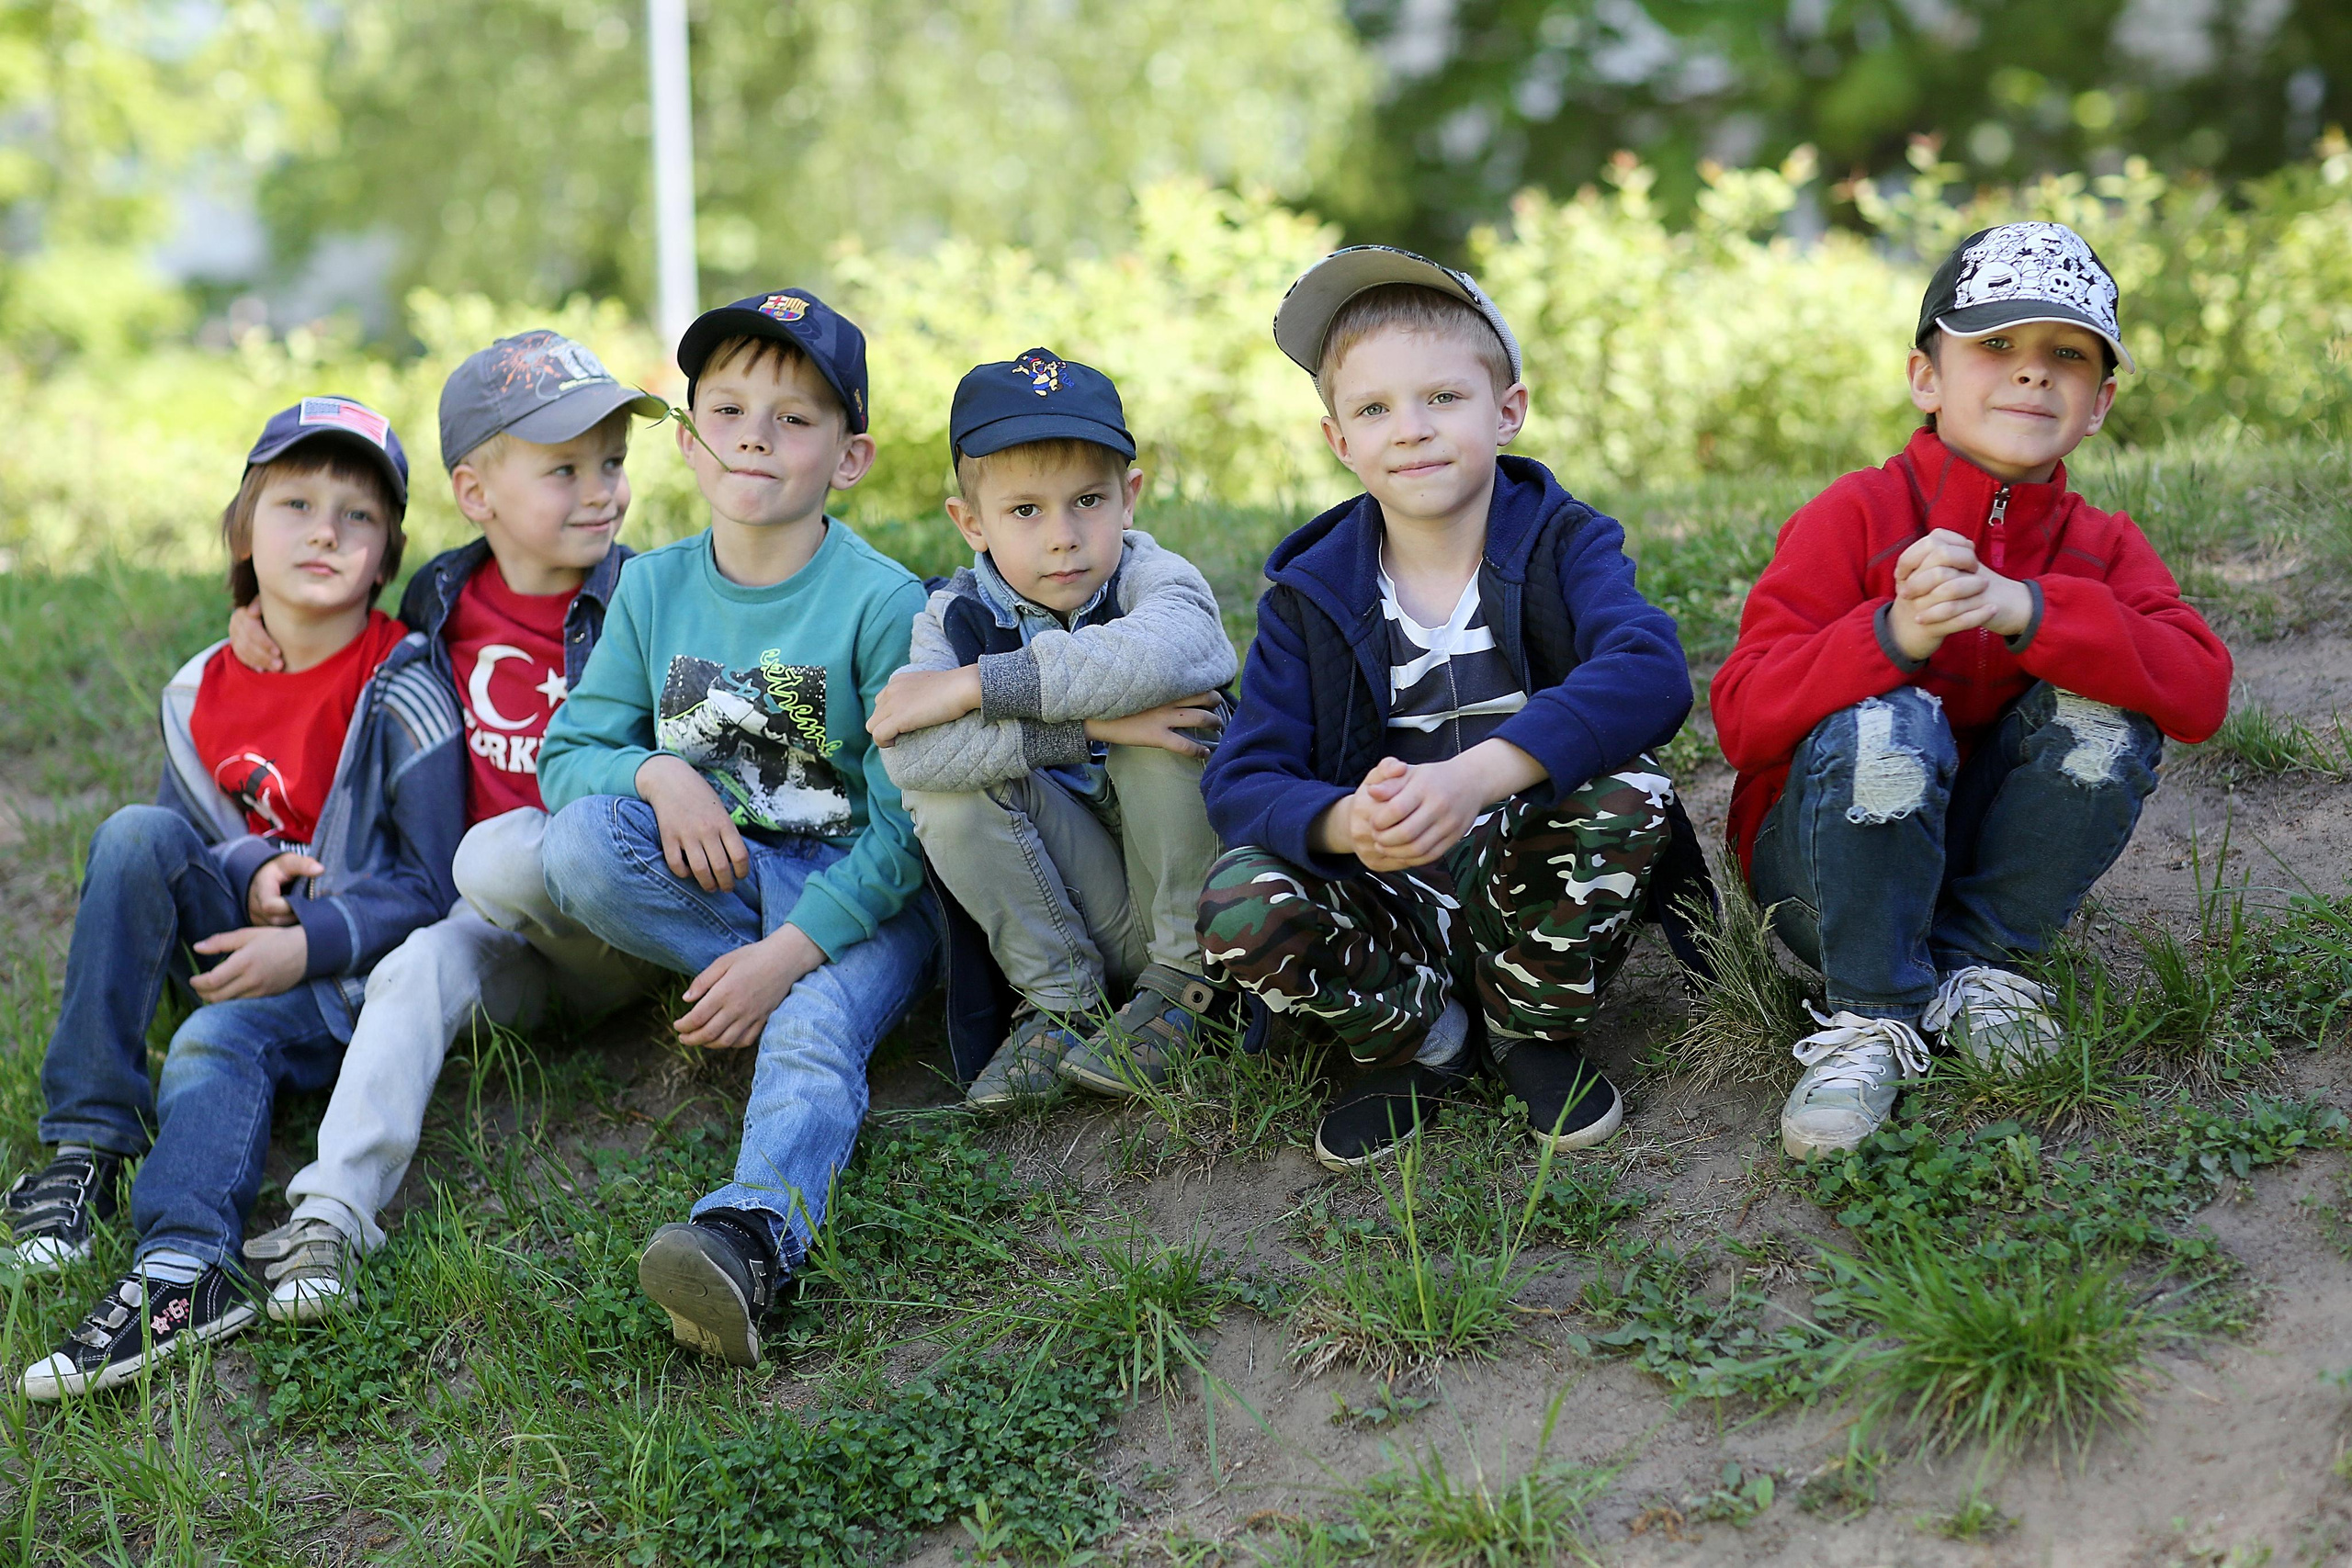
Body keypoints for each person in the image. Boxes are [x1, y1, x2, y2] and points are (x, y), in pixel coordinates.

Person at [1710, 221, 2232, 1161]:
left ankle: (1982, 965)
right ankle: (1869, 1013)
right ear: (1925, 377)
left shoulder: (2102, 546)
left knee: (2105, 711)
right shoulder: (1852, 515)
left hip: (1976, 851)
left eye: (2067, 354)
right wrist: (1892, 635)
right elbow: (1742, 717)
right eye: (1995, 343)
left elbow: (2198, 690)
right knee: (1890, 721)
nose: (2031, 371)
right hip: (1825, 875)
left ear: (2100, 402)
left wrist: (2027, 607)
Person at [1198, 247, 1702, 1172]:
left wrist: (1475, 778)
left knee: (1628, 791)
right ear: (1338, 440)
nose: (1411, 430)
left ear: (1507, 410)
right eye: (1374, 410)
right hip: (1386, 893)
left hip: (1529, 870)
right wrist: (1346, 822)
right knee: (1239, 896)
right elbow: (1242, 780)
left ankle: (1529, 1029)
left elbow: (1650, 672)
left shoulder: (1564, 542)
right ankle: (1419, 1037)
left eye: (1442, 397)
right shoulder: (1309, 596)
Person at [5, 400, 463, 1398]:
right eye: (295, 505)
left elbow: (435, 885)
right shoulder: (199, 689)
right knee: (134, 833)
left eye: (357, 515)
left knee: (215, 1038)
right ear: (243, 534)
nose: (325, 532)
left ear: (385, 557)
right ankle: (86, 1146)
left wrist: (308, 942)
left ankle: (184, 1268)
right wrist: (250, 862)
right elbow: (184, 846)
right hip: (232, 937)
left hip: (343, 984)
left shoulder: (403, 685)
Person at [220, 332, 667, 1318]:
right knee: (422, 958)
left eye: (612, 463)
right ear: (476, 494)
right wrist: (253, 614)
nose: (602, 491)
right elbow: (347, 635)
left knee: (498, 852)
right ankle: (332, 1217)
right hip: (499, 935)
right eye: (564, 470)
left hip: (617, 915)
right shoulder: (441, 598)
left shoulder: (651, 597)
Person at [536, 290, 936, 1369]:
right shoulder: (651, 588)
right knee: (577, 844)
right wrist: (659, 771)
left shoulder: (881, 604)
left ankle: (751, 1237)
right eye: (727, 410)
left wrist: (791, 955)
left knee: (808, 1018)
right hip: (730, 875)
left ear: (849, 459)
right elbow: (568, 757)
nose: (754, 435)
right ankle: (776, 985)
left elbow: (910, 828)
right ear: (688, 437)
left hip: (864, 898)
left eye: (793, 418)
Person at [868, 349, 1238, 1107]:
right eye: (1026, 511)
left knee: (1171, 718)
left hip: (1191, 901)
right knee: (948, 788)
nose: (1063, 535)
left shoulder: (1154, 578)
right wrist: (1091, 726)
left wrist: (977, 685)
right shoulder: (953, 618)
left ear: (1129, 498)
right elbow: (911, 756)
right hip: (1081, 903)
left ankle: (1188, 991)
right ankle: (1064, 1004)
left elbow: (1187, 647)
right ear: (971, 522)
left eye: (1088, 500)